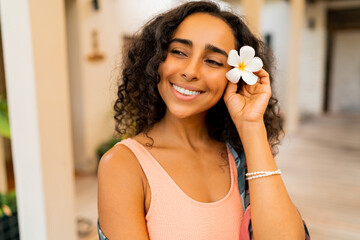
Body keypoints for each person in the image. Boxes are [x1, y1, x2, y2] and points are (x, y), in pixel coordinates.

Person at [97, 1, 310, 239]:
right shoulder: (123, 164)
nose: (191, 71)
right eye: (178, 52)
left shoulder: (239, 155)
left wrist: (251, 126)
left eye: (213, 61)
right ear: (155, 59)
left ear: (235, 77)